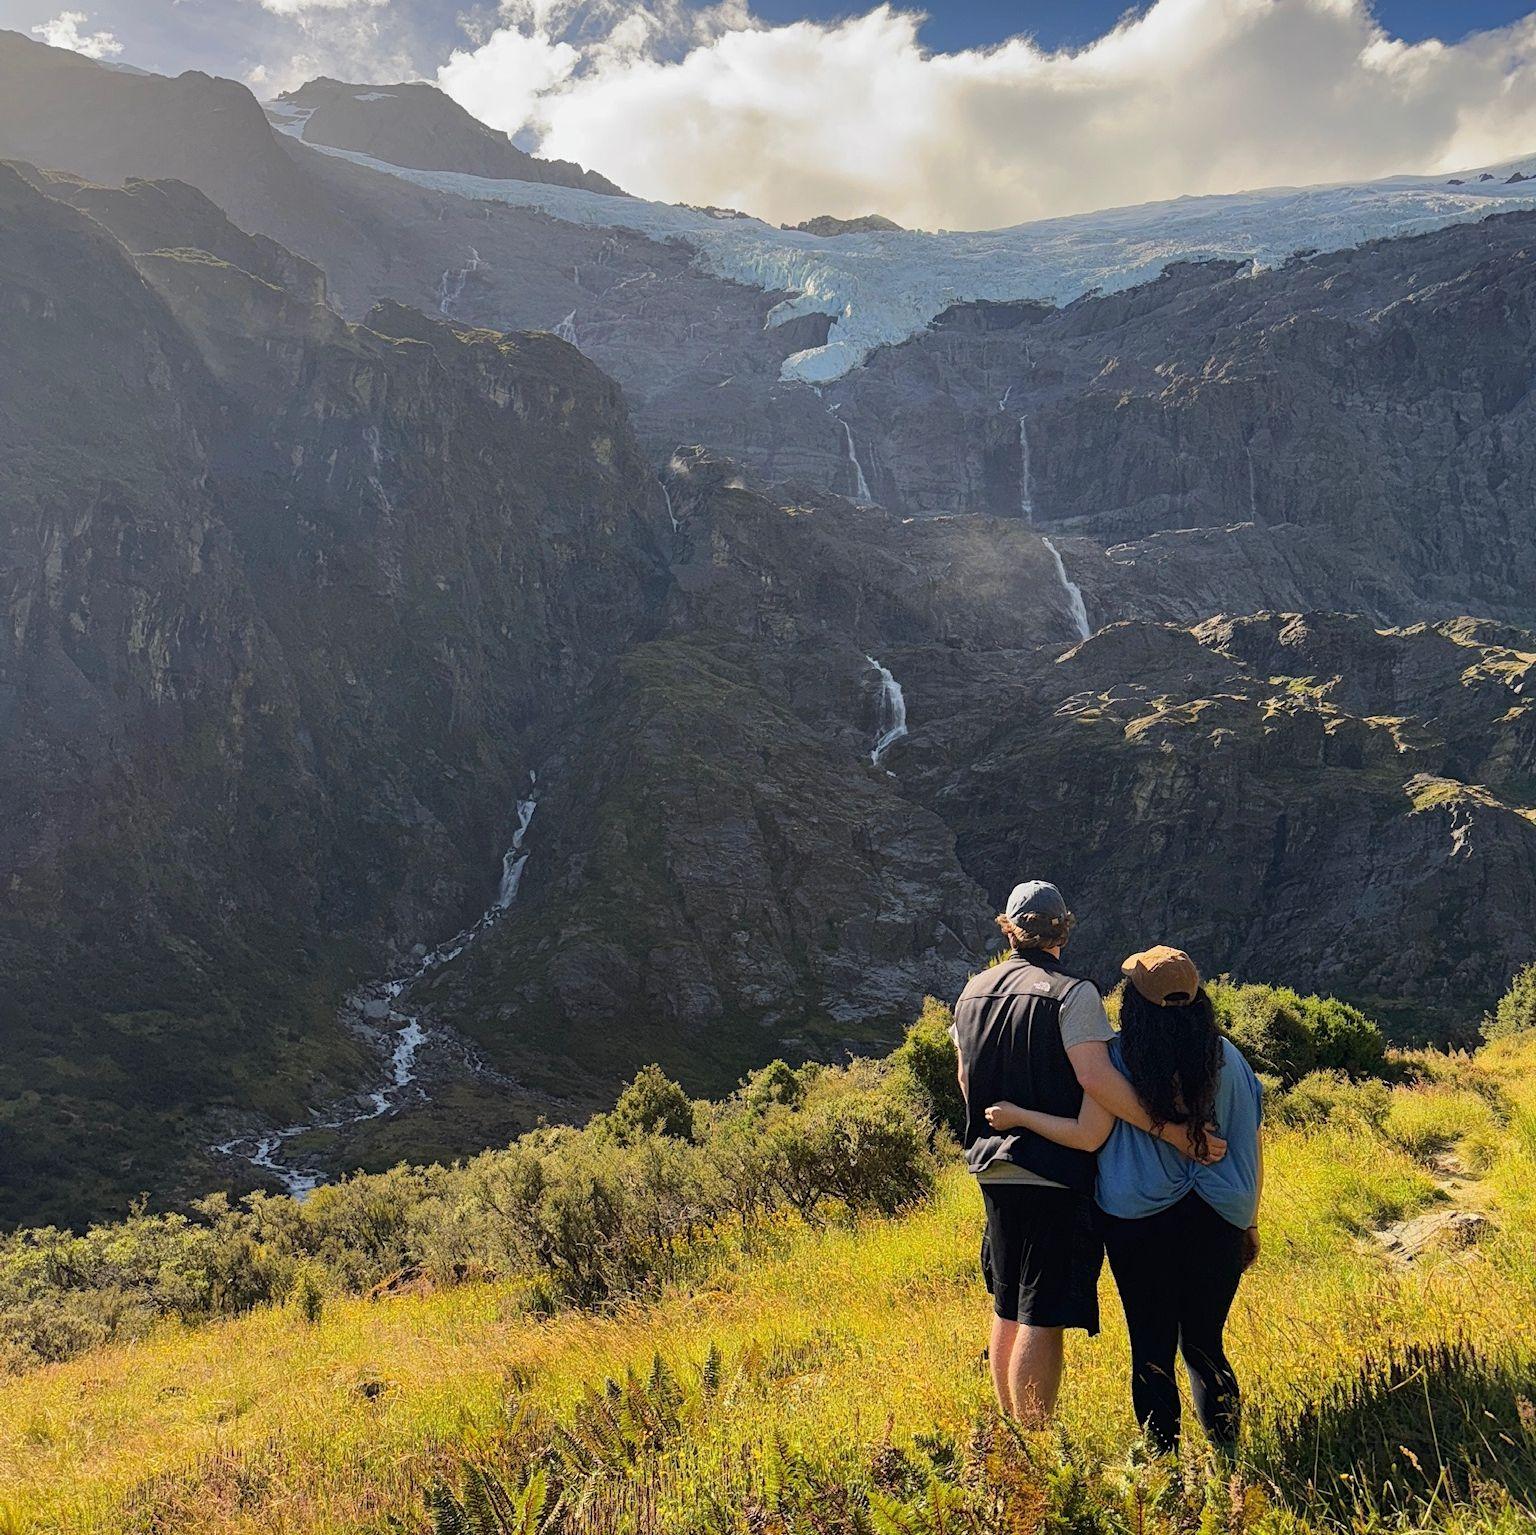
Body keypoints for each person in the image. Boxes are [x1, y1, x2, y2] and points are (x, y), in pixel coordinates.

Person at [951, 885, 1224, 1427]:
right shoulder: (1072, 994)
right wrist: (1168, 1131)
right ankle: (1037, 1440)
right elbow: (1096, 1078)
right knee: (1042, 1310)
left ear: (1008, 927)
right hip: (1053, 1172)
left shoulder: (971, 993)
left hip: (992, 1166)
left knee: (1005, 1301)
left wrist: (1000, 1120)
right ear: (1064, 930)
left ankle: (1012, 1435)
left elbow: (965, 1078)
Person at [987, 945, 1263, 1455]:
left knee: (1151, 1349)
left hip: (1138, 1222)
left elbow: (1090, 1134)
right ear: (1199, 1000)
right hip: (1221, 1219)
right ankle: (1230, 1463)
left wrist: (1018, 1116)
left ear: (1133, 1003)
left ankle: (1164, 1469)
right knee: (1205, 1346)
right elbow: (1251, 1145)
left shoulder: (1116, 1062)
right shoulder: (1230, 1059)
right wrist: (1247, 1222)